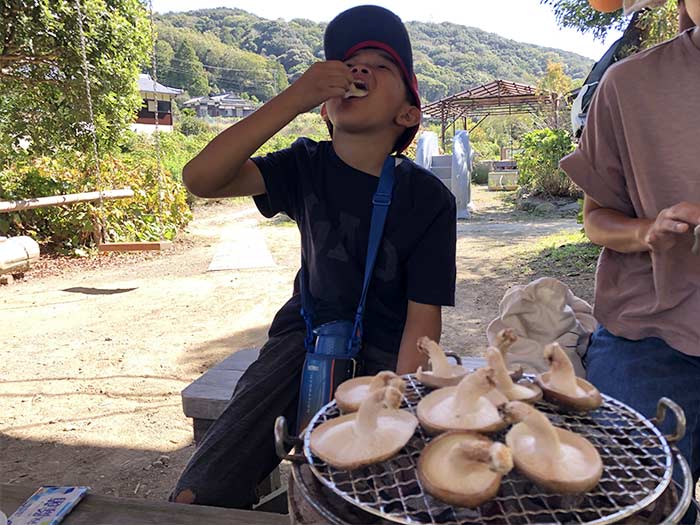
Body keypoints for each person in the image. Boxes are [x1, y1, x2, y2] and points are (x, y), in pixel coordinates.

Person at [170, 5, 456, 509]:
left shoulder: (429, 199)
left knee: (366, 492)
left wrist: (401, 400)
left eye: (379, 66)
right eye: (350, 64)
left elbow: (422, 321)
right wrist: (295, 96)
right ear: (325, 109)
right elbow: (201, 179)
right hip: (300, 342)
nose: (358, 70)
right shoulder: (303, 165)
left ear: (407, 114)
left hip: (387, 359)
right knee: (204, 490)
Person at [561, 1, 700, 521]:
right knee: (637, 509)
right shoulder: (629, 85)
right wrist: (648, 231)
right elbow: (596, 219)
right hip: (649, 340)